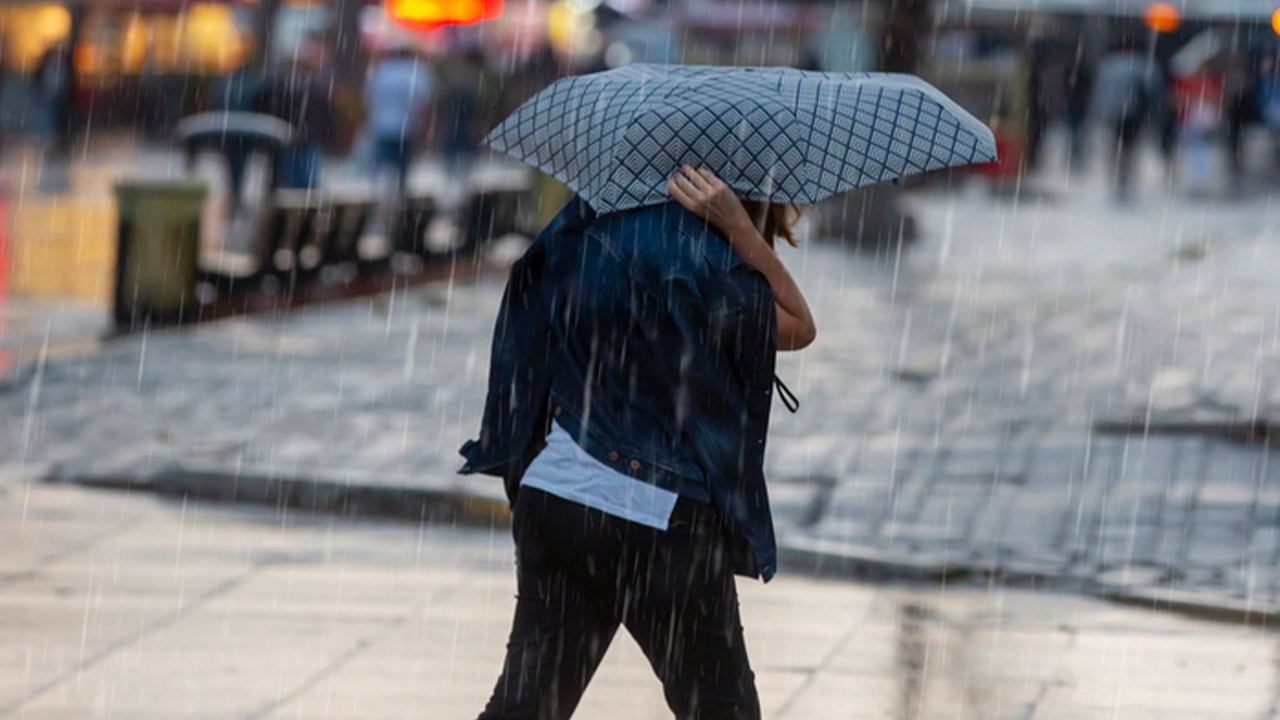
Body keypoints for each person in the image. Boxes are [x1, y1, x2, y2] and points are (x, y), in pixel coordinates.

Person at [460, 165, 815, 720]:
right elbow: (798, 323)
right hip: (662, 523)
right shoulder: (702, 253)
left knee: (523, 710)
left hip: (558, 497)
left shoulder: (582, 224)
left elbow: (528, 331)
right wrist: (738, 228)